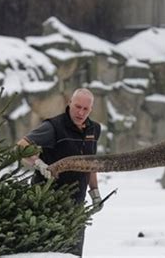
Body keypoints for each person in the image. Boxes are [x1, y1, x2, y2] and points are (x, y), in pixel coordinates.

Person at [17, 88, 102, 256]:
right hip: (48, 203)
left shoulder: (94, 129)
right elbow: (21, 146)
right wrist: (40, 164)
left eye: (86, 109)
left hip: (76, 206)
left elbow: (91, 162)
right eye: (78, 106)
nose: (81, 112)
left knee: (73, 254)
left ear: (91, 109)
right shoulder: (53, 127)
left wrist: (95, 192)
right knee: (51, 253)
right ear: (69, 103)